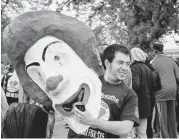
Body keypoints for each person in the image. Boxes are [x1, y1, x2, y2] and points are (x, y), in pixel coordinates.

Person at [68, 44, 139, 138]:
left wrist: (92, 121)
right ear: (107, 63)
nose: (125, 68)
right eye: (120, 63)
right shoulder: (88, 84)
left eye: (127, 64)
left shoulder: (129, 94)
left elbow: (126, 128)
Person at [151, 42, 179, 138]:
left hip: (161, 91)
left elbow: (152, 79)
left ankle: (164, 136)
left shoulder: (153, 62)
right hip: (173, 90)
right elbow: (178, 76)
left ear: (155, 50)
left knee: (162, 116)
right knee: (172, 115)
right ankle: (174, 136)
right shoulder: (171, 61)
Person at [130, 47, 154, 138]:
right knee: (142, 132)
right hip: (146, 103)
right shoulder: (147, 68)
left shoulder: (133, 68)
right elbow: (153, 86)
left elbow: (135, 85)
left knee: (131, 132)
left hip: (136, 104)